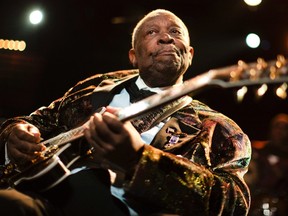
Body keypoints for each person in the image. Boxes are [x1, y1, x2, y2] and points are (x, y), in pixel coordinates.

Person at [0, 9, 251, 215]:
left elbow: (234, 204)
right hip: (40, 193)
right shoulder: (96, 85)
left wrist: (140, 160)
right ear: (134, 56)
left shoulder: (219, 129)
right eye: (152, 32)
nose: (166, 38)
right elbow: (35, 121)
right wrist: (13, 132)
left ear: (190, 54)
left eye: (175, 32)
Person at [245, 113, 288, 216]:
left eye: (284, 128)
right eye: (277, 127)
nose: (280, 131)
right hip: (256, 202)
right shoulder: (257, 150)